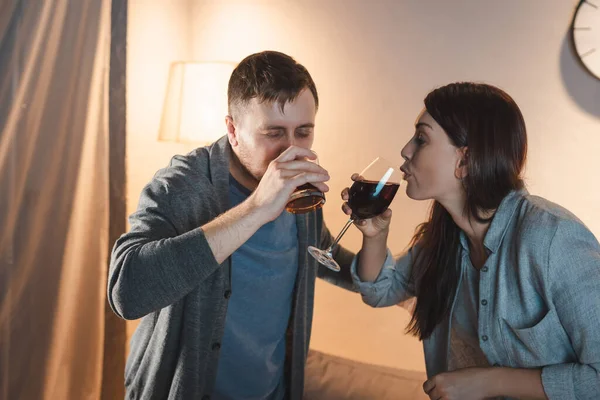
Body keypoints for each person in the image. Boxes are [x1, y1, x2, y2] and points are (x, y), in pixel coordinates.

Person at [108, 51, 355, 400]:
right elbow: (126, 293)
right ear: (233, 130)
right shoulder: (182, 185)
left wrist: (400, 281)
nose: (291, 150)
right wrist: (256, 208)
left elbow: (323, 256)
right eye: (273, 133)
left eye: (303, 132)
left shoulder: (303, 198)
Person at [345, 82, 600, 400]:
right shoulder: (444, 239)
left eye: (421, 139)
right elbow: (379, 291)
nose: (406, 150)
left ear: (464, 161)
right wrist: (375, 234)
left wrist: (490, 381)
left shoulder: (553, 239)